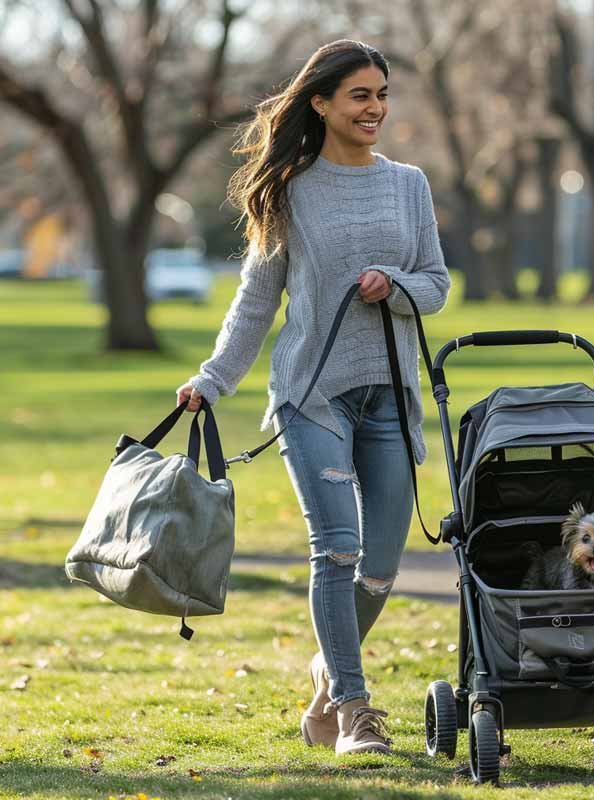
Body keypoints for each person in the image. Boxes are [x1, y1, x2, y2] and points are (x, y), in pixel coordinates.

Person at [175, 39, 450, 756]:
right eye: (360, 95)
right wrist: (213, 378)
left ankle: (328, 681)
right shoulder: (291, 190)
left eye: (382, 95)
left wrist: (396, 285)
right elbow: (256, 301)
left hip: (390, 394)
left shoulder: (409, 185)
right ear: (321, 103)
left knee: (382, 567)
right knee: (336, 552)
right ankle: (357, 714)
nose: (376, 108)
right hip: (312, 397)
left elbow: (437, 285)